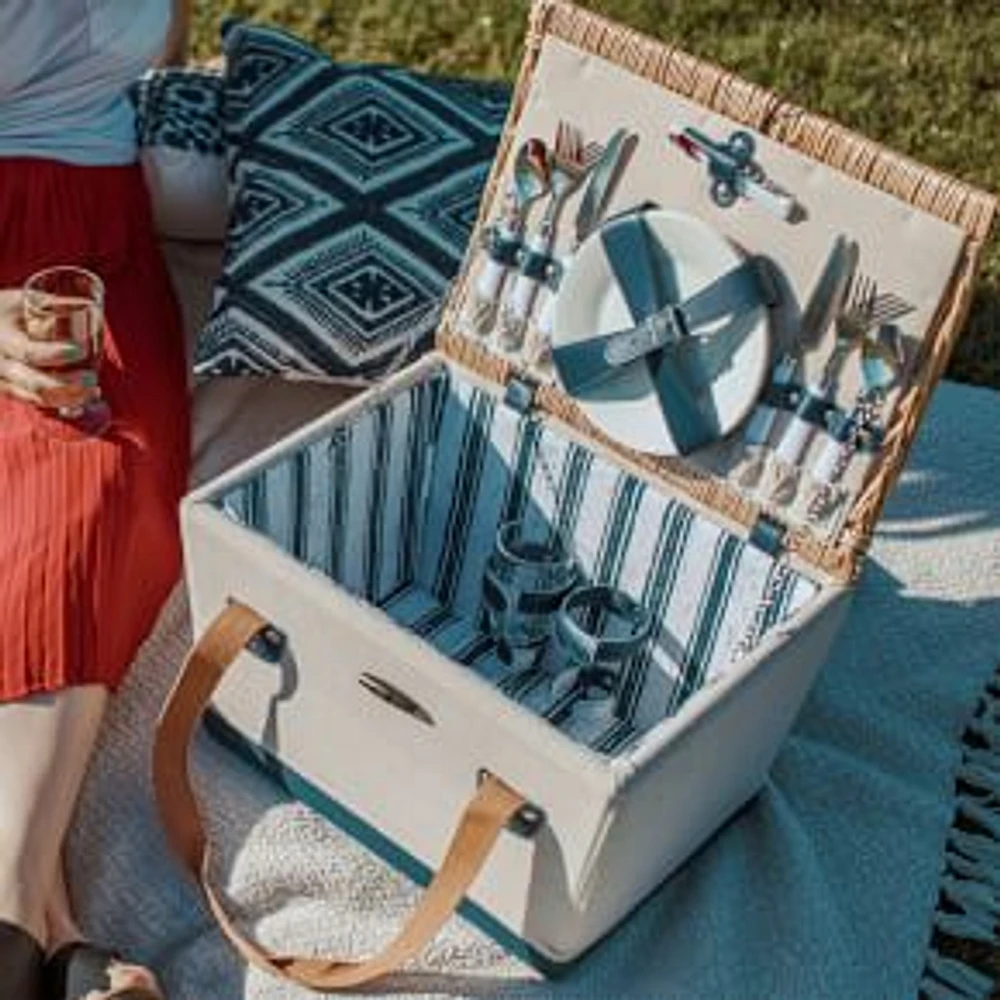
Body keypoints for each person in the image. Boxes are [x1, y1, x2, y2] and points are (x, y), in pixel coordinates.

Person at [0, 2, 193, 997]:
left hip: (107, 239)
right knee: (51, 507)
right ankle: (28, 922)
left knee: (116, 486)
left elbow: (162, 42)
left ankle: (39, 929)